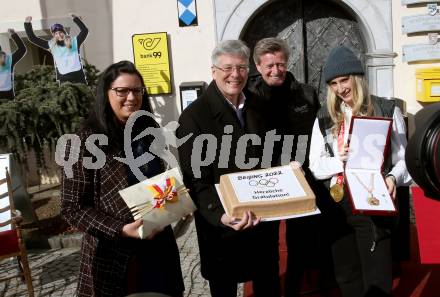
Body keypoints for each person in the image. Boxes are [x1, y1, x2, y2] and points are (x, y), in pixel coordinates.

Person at [60, 61, 184, 297]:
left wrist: (174, 203)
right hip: (114, 251)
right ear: (106, 94)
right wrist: (120, 229)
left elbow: (156, 181)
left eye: (137, 90)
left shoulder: (148, 129)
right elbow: (72, 208)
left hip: (158, 246)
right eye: (122, 91)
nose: (131, 97)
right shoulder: (82, 141)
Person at [176, 40, 281, 297]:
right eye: (228, 68)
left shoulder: (260, 106)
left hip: (261, 220)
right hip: (222, 227)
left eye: (241, 67)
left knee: (267, 285)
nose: (235, 75)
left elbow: (272, 156)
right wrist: (220, 215)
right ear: (213, 71)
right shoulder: (193, 117)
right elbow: (195, 179)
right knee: (224, 289)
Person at [309, 46, 411, 297]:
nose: (341, 89)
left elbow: (405, 160)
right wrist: (338, 161)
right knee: (346, 275)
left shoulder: (387, 109)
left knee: (376, 277)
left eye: (345, 80)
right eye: (333, 83)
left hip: (373, 202)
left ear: (358, 77)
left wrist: (391, 177)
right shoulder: (324, 116)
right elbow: (315, 164)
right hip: (338, 203)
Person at [245, 37, 324, 297]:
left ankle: (294, 288)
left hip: (299, 174)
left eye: (280, 63)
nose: (276, 70)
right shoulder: (248, 97)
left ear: (287, 63)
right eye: (269, 65)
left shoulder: (307, 93)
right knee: (264, 244)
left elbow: (317, 133)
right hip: (264, 179)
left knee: (300, 241)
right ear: (257, 66)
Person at [24, 14, 88, 84]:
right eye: (56, 33)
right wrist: (27, 24)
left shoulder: (74, 42)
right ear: (54, 35)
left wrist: (75, 19)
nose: (59, 35)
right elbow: (32, 38)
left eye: (60, 32)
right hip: (64, 78)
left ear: (64, 32)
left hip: (78, 76)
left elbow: (84, 31)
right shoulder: (51, 45)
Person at [0, 29, 26, 100]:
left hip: (7, 96)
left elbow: (22, 50)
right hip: (8, 96)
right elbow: (22, 49)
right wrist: (13, 35)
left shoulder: (8, 60)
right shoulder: (8, 59)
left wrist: (14, 35)